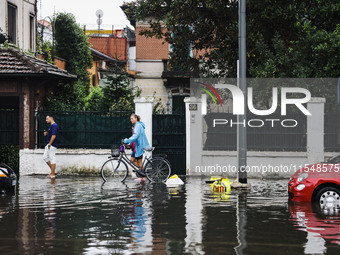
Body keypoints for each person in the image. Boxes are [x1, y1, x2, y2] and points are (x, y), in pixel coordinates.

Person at [124, 114, 150, 178]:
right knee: (132, 160)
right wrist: (130, 144)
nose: (131, 120)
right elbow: (135, 137)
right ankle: (142, 174)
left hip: (138, 147)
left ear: (136, 118)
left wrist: (127, 141)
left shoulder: (138, 126)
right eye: (130, 119)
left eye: (132, 118)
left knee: (139, 162)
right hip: (135, 147)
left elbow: (136, 136)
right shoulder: (136, 126)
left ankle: (143, 177)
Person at [43, 114, 59, 179]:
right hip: (49, 144)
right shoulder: (52, 126)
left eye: (47, 119)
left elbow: (54, 136)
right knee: (45, 157)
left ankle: (52, 174)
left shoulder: (54, 126)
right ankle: (53, 171)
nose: (46, 120)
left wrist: (50, 144)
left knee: (52, 158)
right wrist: (47, 133)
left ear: (51, 118)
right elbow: (52, 134)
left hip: (52, 145)